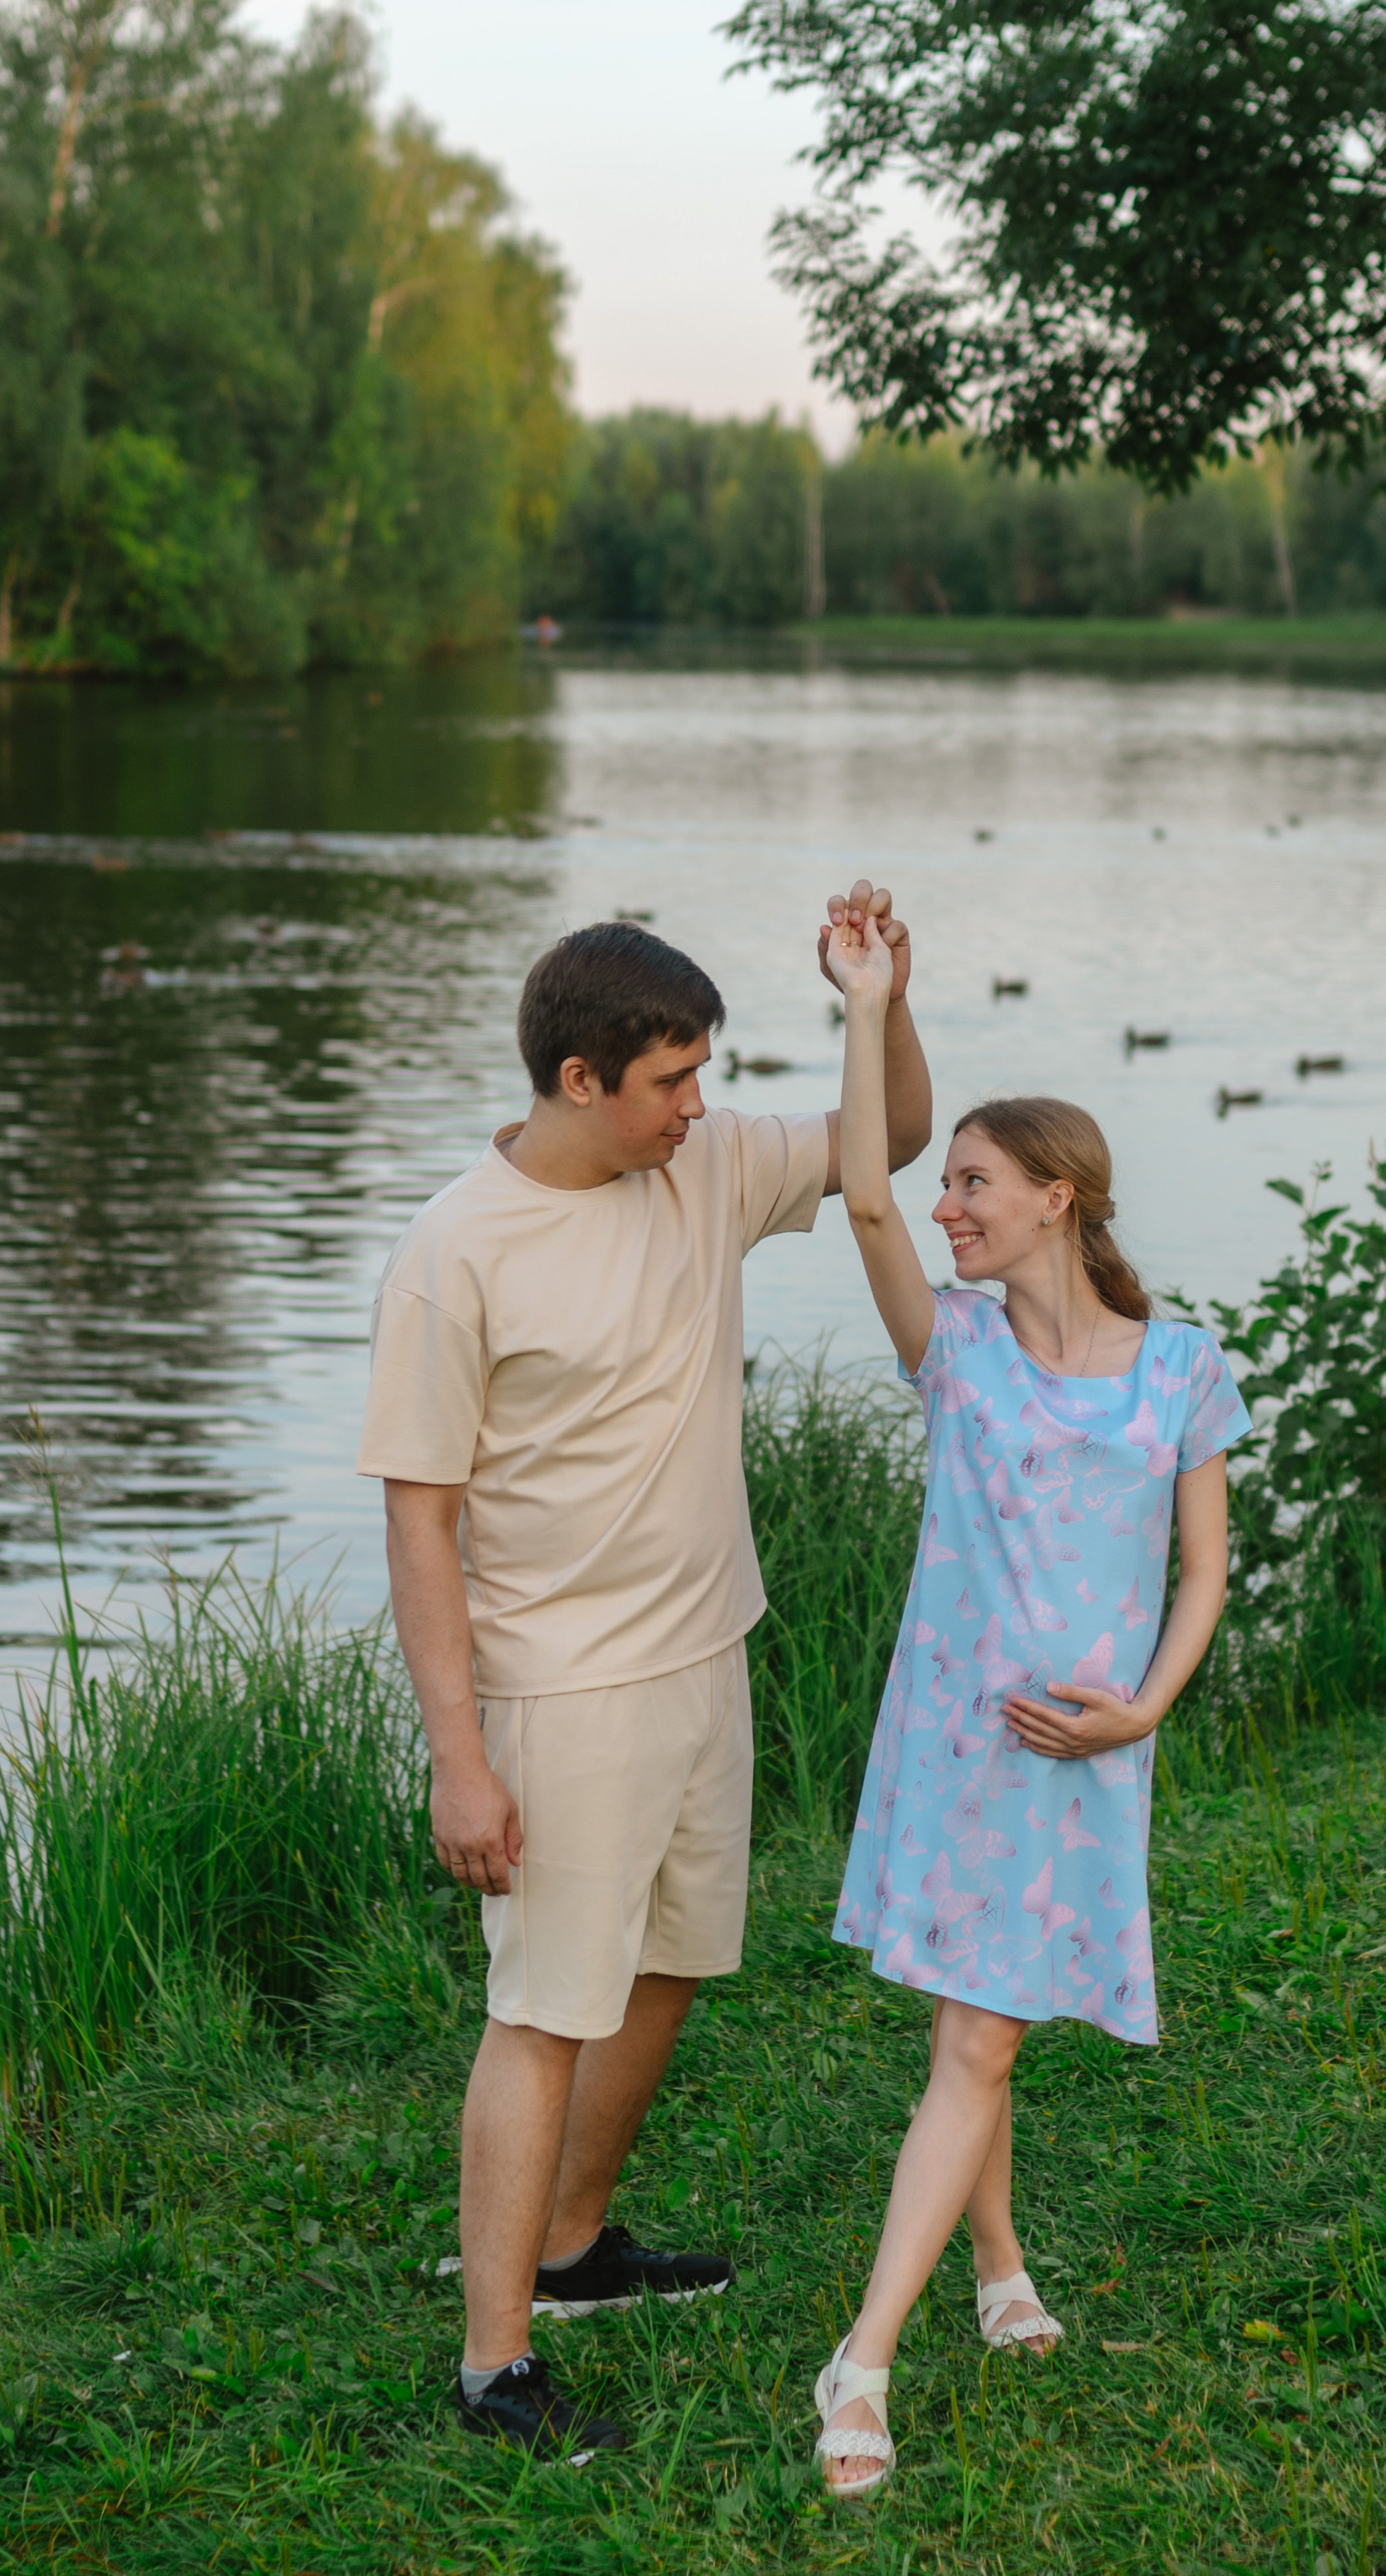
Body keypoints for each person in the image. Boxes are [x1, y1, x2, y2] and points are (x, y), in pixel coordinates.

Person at [359, 895, 932, 2458]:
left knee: (670, 1962)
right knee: (543, 2010)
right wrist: (457, 1755)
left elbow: (885, 1141)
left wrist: (877, 1000)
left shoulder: (704, 1167)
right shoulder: (453, 1253)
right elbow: (420, 1523)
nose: (700, 1105)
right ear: (576, 1081)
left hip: (704, 1651)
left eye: (702, 1074)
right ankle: (493, 2371)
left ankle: (570, 2250)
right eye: (672, 1080)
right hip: (560, 1693)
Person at [810, 898, 1250, 2498]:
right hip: (953, 1746)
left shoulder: (1181, 1366)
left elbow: (1201, 1574)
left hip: (1088, 1752)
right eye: (947, 1187)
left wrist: (1144, 1710)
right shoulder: (958, 1354)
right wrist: (870, 1006)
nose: (944, 1210)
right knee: (975, 2033)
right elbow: (856, 1188)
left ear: (1054, 1197)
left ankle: (994, 2277)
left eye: (974, 1185)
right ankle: (861, 2367)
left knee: (975, 2030)